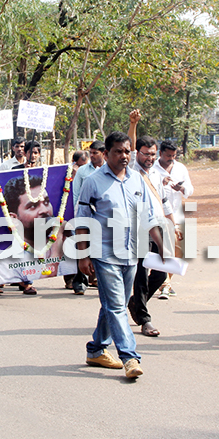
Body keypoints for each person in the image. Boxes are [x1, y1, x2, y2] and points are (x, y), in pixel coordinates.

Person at [76, 131, 161, 379]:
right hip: (104, 253)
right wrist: (83, 255)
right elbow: (82, 220)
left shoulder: (137, 181)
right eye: (118, 151)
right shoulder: (93, 181)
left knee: (116, 306)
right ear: (106, 154)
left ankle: (95, 350)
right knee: (115, 307)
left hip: (131, 253)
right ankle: (130, 357)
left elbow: (148, 217)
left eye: (127, 151)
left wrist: (163, 248)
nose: (124, 156)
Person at [128, 133, 181, 337]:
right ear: (138, 154)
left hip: (158, 228)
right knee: (141, 275)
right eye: (145, 154)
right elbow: (131, 149)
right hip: (138, 230)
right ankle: (144, 319)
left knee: (162, 271)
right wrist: (133, 125)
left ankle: (136, 303)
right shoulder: (132, 172)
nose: (149, 158)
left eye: (152, 154)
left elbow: (164, 202)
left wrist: (173, 226)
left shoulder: (158, 176)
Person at [151, 140, 194, 299]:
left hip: (177, 216)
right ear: (160, 153)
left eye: (173, 156)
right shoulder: (152, 169)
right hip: (158, 217)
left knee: (178, 252)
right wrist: (162, 184)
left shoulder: (180, 168)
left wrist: (181, 188)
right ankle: (165, 284)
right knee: (162, 251)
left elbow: (190, 189)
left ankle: (166, 280)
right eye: (168, 155)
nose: (171, 158)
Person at [69, 140, 106, 294]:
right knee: (82, 247)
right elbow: (75, 193)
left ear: (103, 153)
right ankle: (79, 281)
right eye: (90, 153)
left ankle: (97, 278)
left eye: (95, 153)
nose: (92, 156)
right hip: (84, 214)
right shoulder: (83, 171)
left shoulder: (108, 170)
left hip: (102, 215)